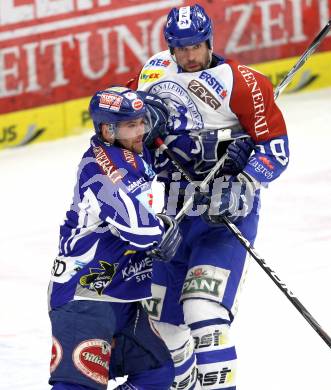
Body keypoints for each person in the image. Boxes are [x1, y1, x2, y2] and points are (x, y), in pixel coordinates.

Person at [130, 4, 290, 389]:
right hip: (171, 216)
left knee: (203, 310)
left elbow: (276, 148)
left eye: (196, 46)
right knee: (161, 326)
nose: (188, 56)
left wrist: (245, 179)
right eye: (180, 47)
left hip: (224, 216)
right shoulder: (151, 76)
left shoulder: (243, 83)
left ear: (210, 41)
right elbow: (131, 136)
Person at [47, 86, 182, 390]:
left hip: (124, 296)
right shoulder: (99, 170)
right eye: (132, 125)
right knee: (76, 387)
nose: (141, 131)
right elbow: (142, 232)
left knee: (157, 374)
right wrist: (163, 226)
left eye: (142, 121)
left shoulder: (132, 150)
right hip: (85, 295)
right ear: (108, 130)